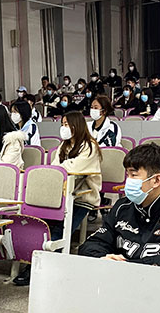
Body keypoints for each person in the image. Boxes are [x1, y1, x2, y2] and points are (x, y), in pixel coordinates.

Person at [79, 143, 160, 272]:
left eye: (133, 175)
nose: (128, 181)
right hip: (125, 280)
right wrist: (103, 258)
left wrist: (133, 266)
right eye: (127, 175)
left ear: (156, 180)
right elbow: (91, 245)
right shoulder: (122, 207)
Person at [13, 112, 103, 287]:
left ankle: (37, 267)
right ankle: (34, 262)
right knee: (40, 225)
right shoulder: (64, 145)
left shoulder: (89, 146)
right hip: (59, 196)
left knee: (60, 230)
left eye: (67, 124)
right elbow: (55, 167)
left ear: (77, 125)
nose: (63, 128)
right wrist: (60, 168)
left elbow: (73, 167)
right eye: (62, 124)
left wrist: (60, 168)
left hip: (81, 197)